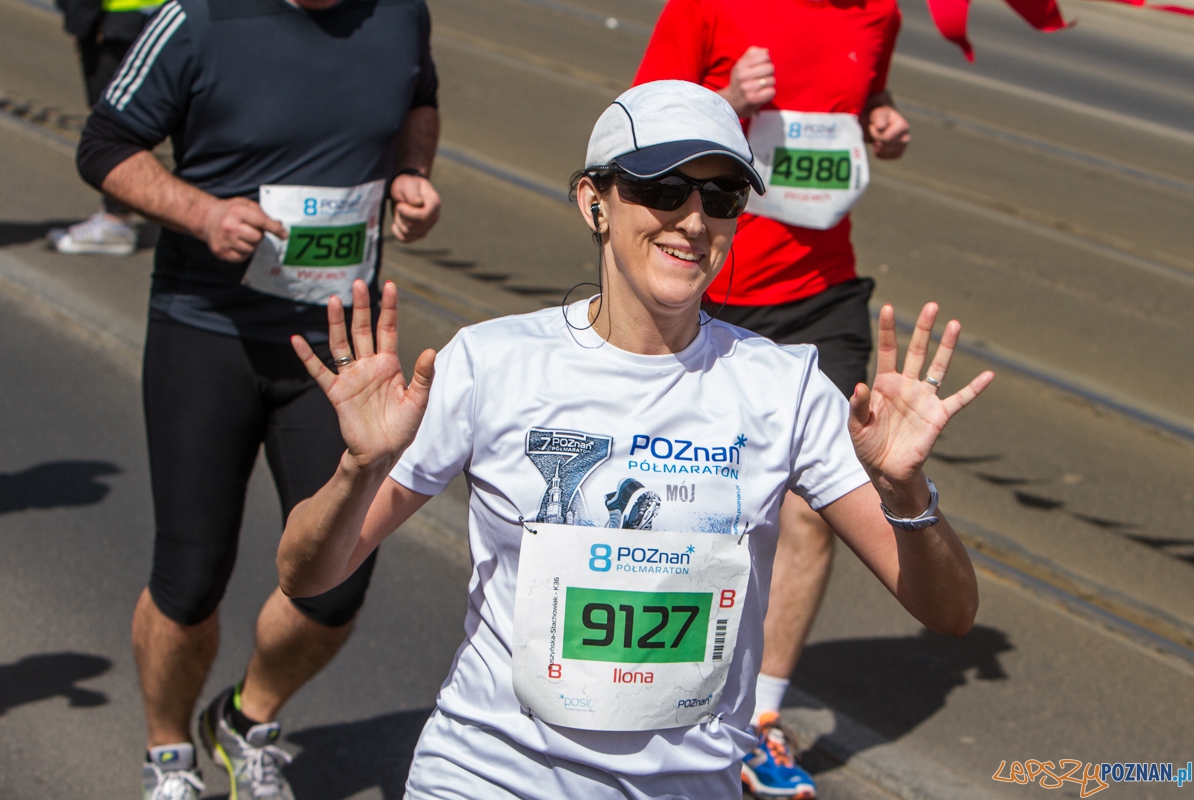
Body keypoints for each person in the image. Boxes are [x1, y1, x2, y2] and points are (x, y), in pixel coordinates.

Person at [275, 81, 989, 800]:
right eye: (665, 189)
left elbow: (950, 612)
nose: (692, 221)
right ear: (596, 201)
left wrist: (907, 492)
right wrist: (358, 469)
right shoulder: (490, 363)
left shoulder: (784, 387)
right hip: (486, 778)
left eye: (721, 198)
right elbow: (308, 574)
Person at [73, 0, 441, 797]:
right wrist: (200, 212)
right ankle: (169, 754)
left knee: (339, 574)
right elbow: (102, 145)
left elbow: (418, 99)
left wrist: (414, 174)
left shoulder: (399, 14)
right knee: (190, 574)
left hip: (339, 352)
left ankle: (246, 720)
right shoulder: (198, 19)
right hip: (207, 333)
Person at [634, 2, 911, 793]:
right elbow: (638, 132)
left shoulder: (879, 13)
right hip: (709, 283)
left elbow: (860, 103)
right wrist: (727, 99)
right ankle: (662, 681)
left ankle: (760, 717)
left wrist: (883, 120)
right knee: (689, 490)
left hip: (822, 290)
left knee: (813, 501)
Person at [50, 0, 166, 255]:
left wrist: (81, 19)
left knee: (115, 121)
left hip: (118, 17)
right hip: (155, 13)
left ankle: (117, 221)